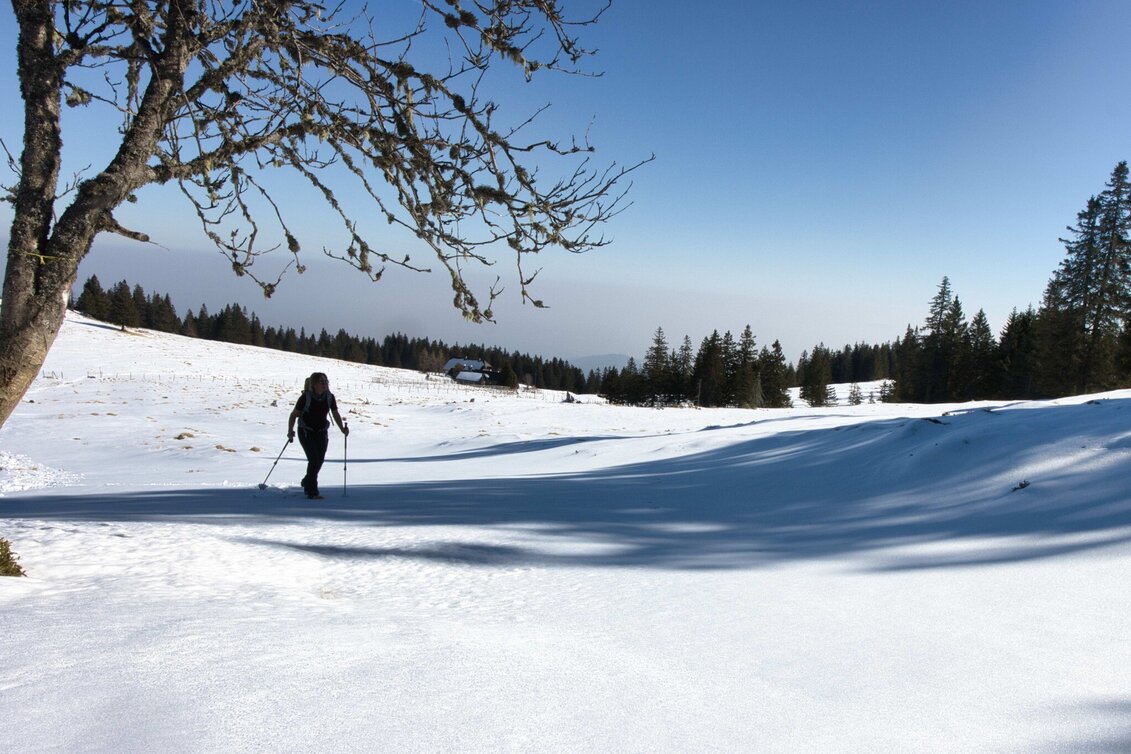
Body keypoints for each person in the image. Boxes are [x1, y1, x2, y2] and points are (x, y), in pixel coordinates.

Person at [287, 372, 348, 499]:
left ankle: (307, 480)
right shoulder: (305, 398)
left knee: (319, 460)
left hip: (321, 432)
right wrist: (290, 431)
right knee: (314, 459)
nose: (325, 384)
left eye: (326, 381)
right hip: (305, 431)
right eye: (321, 382)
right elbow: (294, 415)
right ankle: (312, 491)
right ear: (314, 384)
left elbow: (335, 413)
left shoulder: (329, 397)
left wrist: (342, 428)